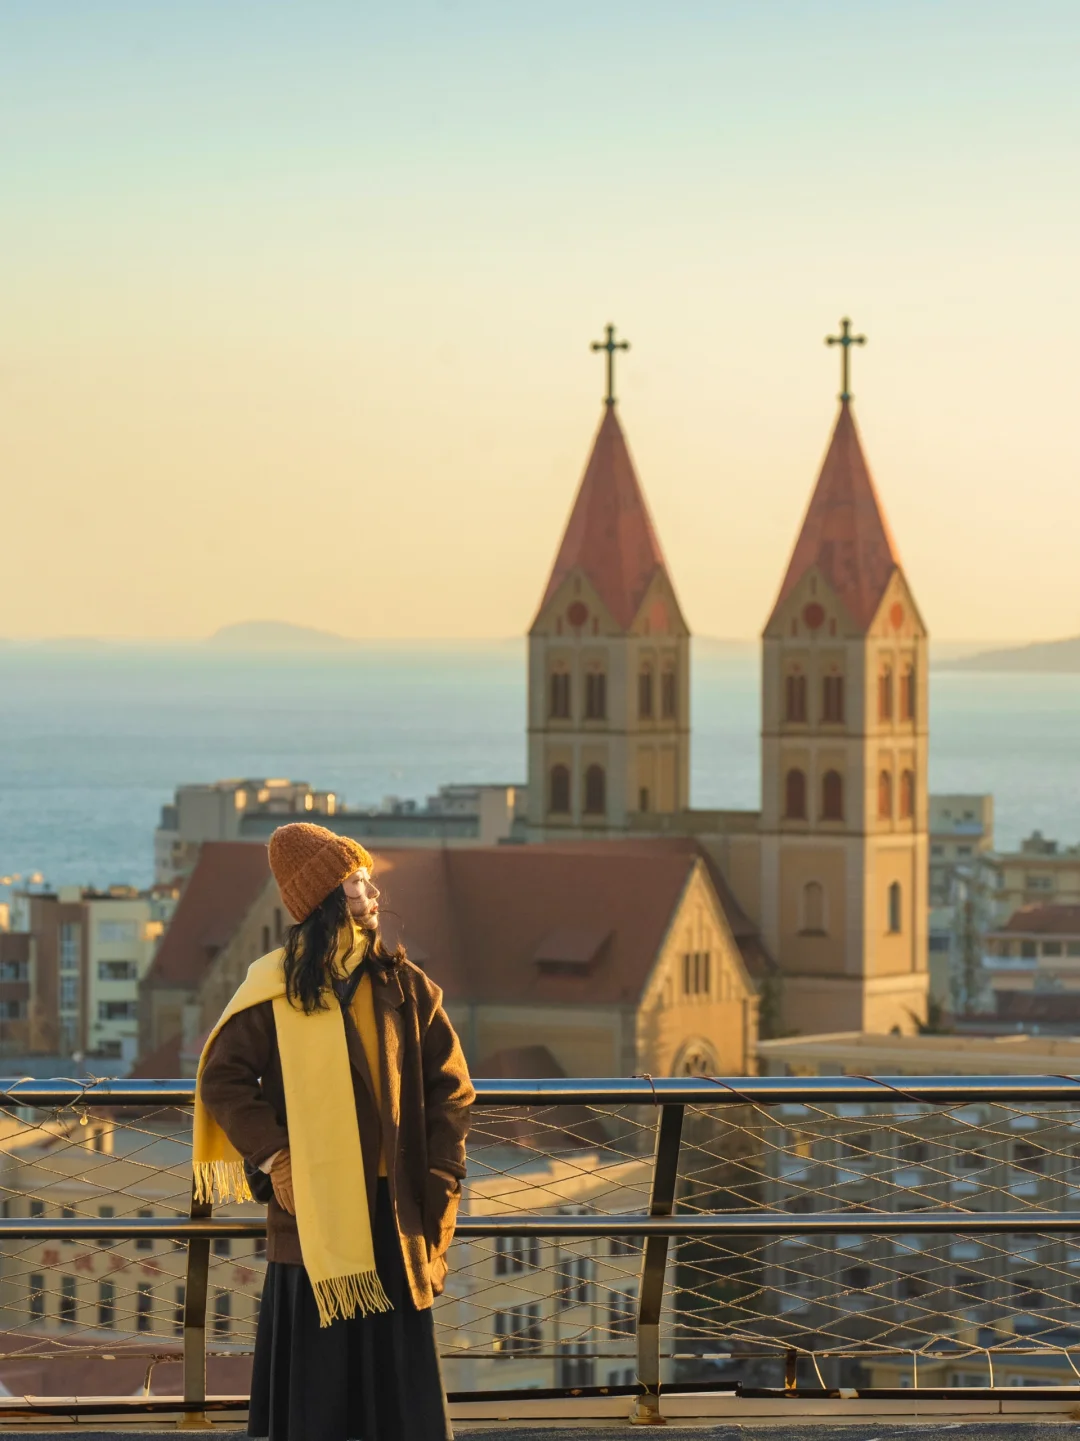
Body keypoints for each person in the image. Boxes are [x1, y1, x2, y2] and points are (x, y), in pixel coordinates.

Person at [193, 822, 474, 1441]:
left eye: (369, 880)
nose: (372, 893)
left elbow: (451, 1087)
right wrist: (276, 1159)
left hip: (396, 1208)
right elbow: (223, 1080)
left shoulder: (406, 985)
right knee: (316, 1401)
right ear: (322, 897)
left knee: (399, 1395)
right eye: (355, 882)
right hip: (315, 1213)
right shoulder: (273, 990)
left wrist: (441, 1172)